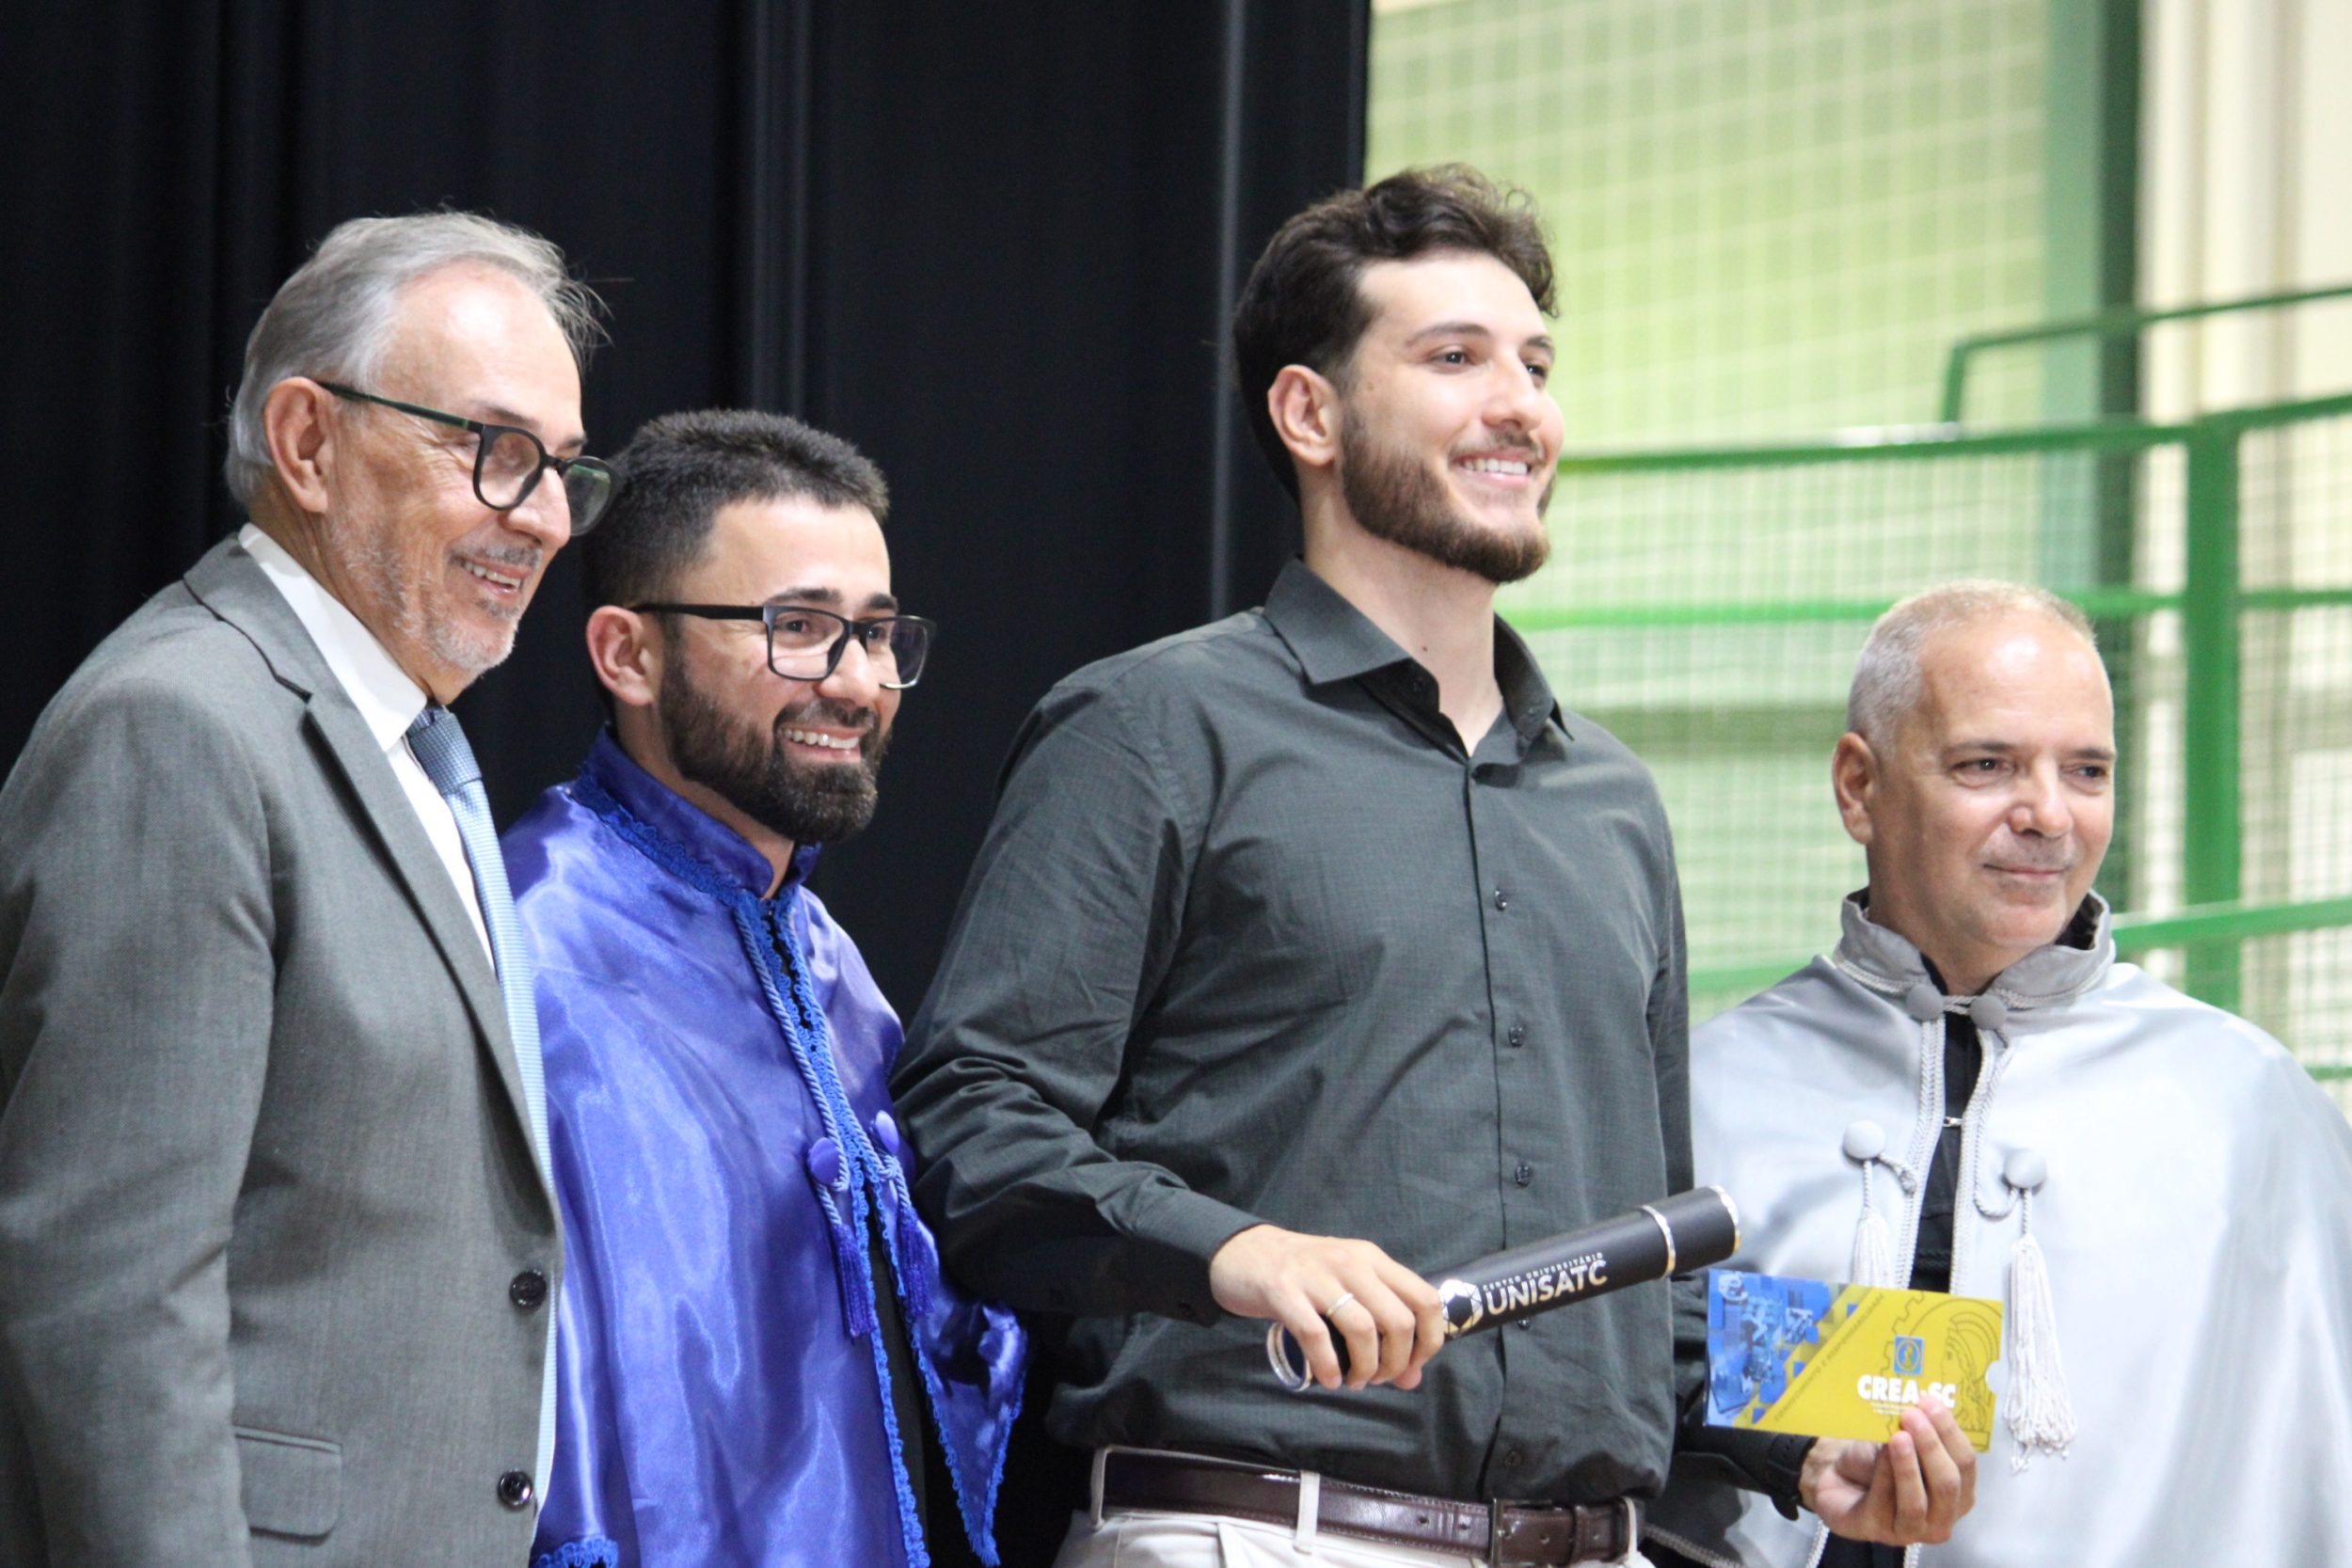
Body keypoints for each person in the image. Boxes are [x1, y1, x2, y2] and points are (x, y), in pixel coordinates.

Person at [891, 165, 1971, 1568]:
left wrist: (1820, 1428)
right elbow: (972, 1121)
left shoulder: (1613, 800)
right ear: (1310, 413)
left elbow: (1641, 1271)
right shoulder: (1149, 727)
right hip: (1260, 1534)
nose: (1520, 404)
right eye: (1455, 358)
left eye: (1536, 364)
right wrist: (1239, 1249)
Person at [0, 213, 611, 1564]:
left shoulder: (408, 742)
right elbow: (111, 1298)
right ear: (308, 442)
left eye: (565, 468)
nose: (549, 517)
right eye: (496, 451)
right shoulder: (179, 727)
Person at [1645, 581, 2352, 1567]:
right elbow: (1629, 1373)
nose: (2049, 814)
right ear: (1859, 786)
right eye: (1988, 765)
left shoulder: (2251, 1108)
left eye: (2087, 770)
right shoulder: (1706, 1090)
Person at [505, 409, 1024, 1568]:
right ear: (627, 654)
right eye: (799, 628)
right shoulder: (524, 948)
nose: (860, 683)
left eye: (877, 633)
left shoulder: (826, 957)